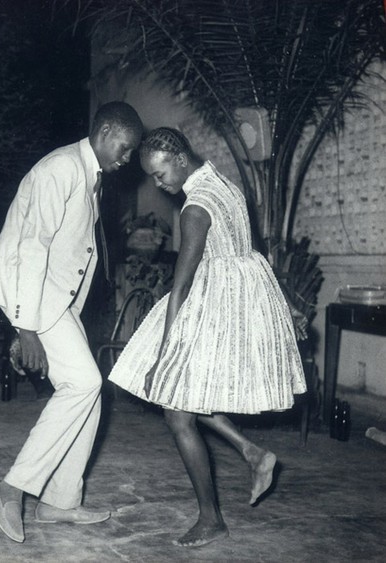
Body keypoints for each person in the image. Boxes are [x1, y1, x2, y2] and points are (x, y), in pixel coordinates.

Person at [108, 127, 307, 548]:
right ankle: (252, 453)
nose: (158, 184)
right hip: (242, 299)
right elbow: (253, 252)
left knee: (176, 412)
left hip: (214, 307)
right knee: (187, 400)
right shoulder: (226, 185)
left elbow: (180, 286)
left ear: (181, 159)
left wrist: (163, 356)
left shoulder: (195, 207)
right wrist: (285, 305)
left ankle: (211, 518)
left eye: (160, 174)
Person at [0, 101, 143, 543]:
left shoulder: (87, 174)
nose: (127, 159)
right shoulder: (62, 168)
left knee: (88, 391)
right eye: (125, 148)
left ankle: (60, 502)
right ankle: (10, 487)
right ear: (105, 132)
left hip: (57, 301)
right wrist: (25, 327)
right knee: (85, 383)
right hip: (37, 300)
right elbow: (31, 246)